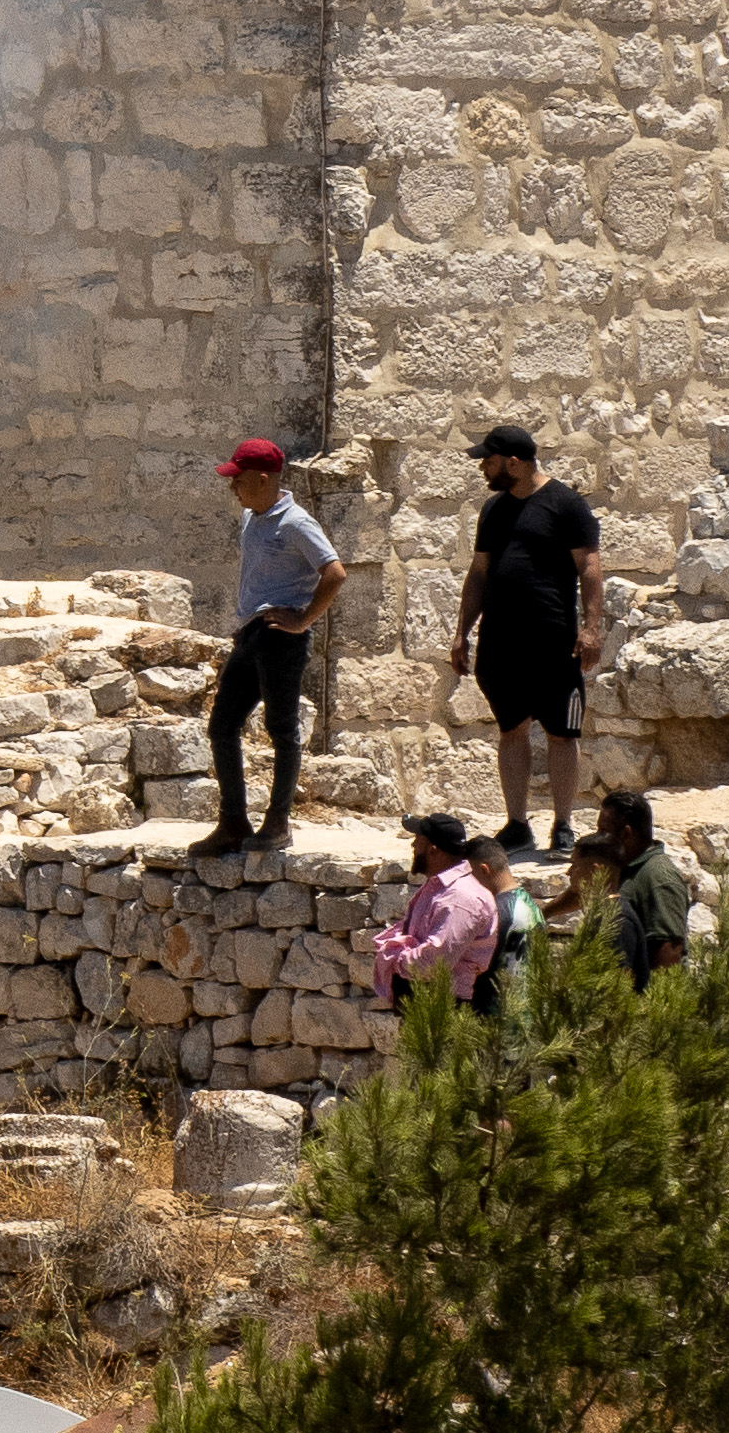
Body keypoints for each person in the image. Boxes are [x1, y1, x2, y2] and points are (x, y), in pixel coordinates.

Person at [456, 424, 604, 858]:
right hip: (500, 644)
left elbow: (590, 569)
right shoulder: (494, 510)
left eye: (489, 460)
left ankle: (563, 824)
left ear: (514, 463)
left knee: (562, 733)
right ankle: (518, 824)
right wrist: (462, 632)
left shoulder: (567, 505)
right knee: (511, 729)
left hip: (554, 641)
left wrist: (592, 627)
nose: (484, 468)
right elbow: (479, 572)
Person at [198, 437, 346, 853]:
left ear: (262, 480)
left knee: (281, 729)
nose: (233, 489)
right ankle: (234, 822)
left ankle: (278, 822)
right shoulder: (252, 517)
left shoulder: (296, 522)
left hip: (282, 635)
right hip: (252, 631)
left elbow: (334, 573)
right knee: (223, 724)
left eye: (239, 480)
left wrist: (303, 620)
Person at [367, 810, 504, 1011]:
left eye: (418, 840)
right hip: (426, 1006)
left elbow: (432, 963)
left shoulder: (460, 899)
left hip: (442, 1010)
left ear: (433, 850)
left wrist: (394, 959)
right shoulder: (440, 888)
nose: (413, 846)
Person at [580, 786, 706, 985]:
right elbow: (580, 888)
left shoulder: (659, 878)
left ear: (626, 834)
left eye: (604, 831)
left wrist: (648, 1011)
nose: (599, 837)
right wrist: (544, 913)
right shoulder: (622, 863)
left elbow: (668, 955)